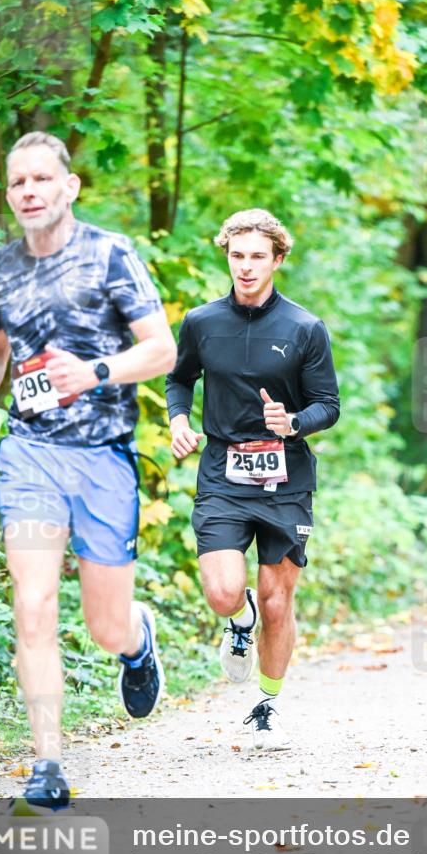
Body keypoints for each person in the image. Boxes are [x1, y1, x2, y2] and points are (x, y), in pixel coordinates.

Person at [0, 132, 176, 809]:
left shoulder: (110, 254)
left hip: (103, 457)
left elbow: (162, 350)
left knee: (105, 625)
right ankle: (47, 763)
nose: (28, 191)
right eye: (18, 182)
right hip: (30, 455)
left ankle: (136, 642)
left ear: (70, 187)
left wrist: (96, 372)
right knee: (33, 604)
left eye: (42, 179)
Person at [166, 208, 339, 750]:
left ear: (277, 259)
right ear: (227, 256)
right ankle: (240, 623)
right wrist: (178, 421)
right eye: (237, 255)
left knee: (277, 599)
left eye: (257, 256)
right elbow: (179, 378)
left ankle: (267, 706)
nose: (245, 266)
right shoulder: (201, 321)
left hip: (286, 478)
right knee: (223, 592)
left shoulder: (304, 328)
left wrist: (294, 422)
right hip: (223, 471)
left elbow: (328, 405)